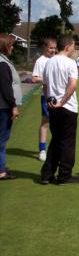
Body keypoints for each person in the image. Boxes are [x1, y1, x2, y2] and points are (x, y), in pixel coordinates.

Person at [40, 35, 79, 185]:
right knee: (67, 142)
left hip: (52, 106)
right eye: (73, 46)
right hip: (67, 107)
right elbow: (72, 85)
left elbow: (44, 85)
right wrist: (62, 101)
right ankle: (64, 176)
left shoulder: (49, 62)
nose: (74, 48)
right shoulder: (70, 63)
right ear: (68, 47)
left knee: (56, 140)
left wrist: (49, 99)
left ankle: (46, 175)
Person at [31, 38, 57, 162]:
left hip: (59, 96)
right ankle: (42, 150)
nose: (53, 50)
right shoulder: (40, 61)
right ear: (45, 48)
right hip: (46, 96)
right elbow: (34, 78)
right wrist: (47, 79)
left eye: (54, 48)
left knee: (58, 122)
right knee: (45, 122)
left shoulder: (57, 59)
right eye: (50, 48)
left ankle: (57, 148)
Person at [0, 34, 21, 181]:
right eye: (11, 44)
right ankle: (1, 171)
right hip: (3, 107)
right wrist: (13, 106)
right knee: (2, 139)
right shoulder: (2, 63)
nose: (12, 47)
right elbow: (6, 88)